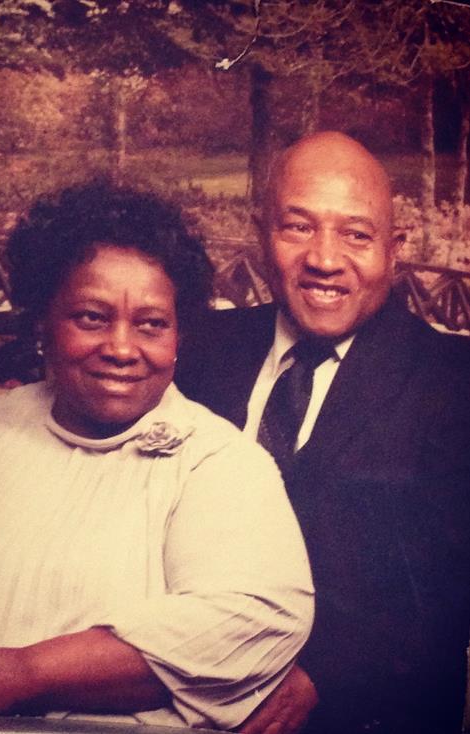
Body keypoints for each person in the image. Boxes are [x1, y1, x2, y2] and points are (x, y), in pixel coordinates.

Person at [0, 182, 315, 729]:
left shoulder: (220, 463)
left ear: (179, 336)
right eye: (91, 317)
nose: (121, 348)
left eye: (151, 324)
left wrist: (23, 673)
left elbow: (255, 617)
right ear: (43, 320)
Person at [177, 132, 470, 734]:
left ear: (394, 249)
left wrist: (326, 674)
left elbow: (452, 587)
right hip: (185, 702)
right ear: (262, 233)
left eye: (356, 234)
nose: (325, 259)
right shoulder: (199, 351)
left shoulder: (454, 383)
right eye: (298, 227)